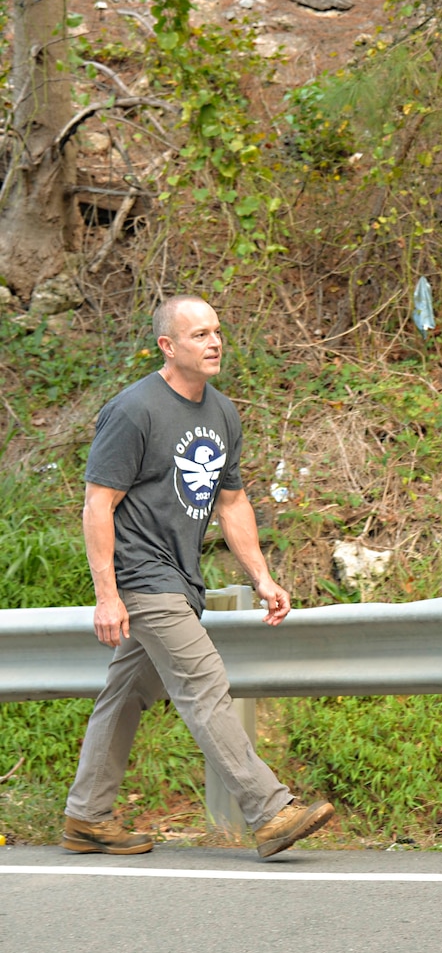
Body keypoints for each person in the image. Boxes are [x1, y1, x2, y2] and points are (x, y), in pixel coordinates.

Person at [61, 295, 334, 859]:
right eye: (199, 335)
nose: (214, 343)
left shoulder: (221, 412)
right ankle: (270, 810)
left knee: (125, 694)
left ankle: (86, 817)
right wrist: (107, 596)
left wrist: (260, 576)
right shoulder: (135, 411)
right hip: (143, 574)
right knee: (204, 683)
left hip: (181, 576)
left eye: (216, 332)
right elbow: (96, 505)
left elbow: (232, 503)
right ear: (168, 345)